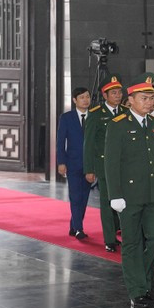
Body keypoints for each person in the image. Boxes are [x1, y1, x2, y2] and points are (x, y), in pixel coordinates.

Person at [104, 73, 154, 308]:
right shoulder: (118, 125)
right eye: (145, 98)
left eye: (153, 98)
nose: (151, 102)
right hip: (129, 195)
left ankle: (141, 281)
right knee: (132, 243)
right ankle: (137, 290)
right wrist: (115, 195)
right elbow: (111, 163)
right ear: (130, 100)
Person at [83, 74, 124, 252]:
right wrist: (89, 169)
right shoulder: (96, 114)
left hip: (125, 166)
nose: (117, 95)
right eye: (113, 93)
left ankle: (127, 236)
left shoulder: (126, 112)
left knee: (126, 202)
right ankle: (109, 239)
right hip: (105, 166)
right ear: (105, 96)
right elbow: (89, 143)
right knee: (108, 203)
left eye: (119, 92)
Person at [57, 86, 92, 240]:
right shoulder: (66, 118)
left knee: (84, 197)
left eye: (87, 97)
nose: (85, 100)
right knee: (75, 196)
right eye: (82, 97)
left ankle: (74, 225)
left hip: (90, 165)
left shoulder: (95, 117)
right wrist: (61, 162)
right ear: (74, 100)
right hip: (72, 163)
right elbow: (60, 142)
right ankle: (79, 228)